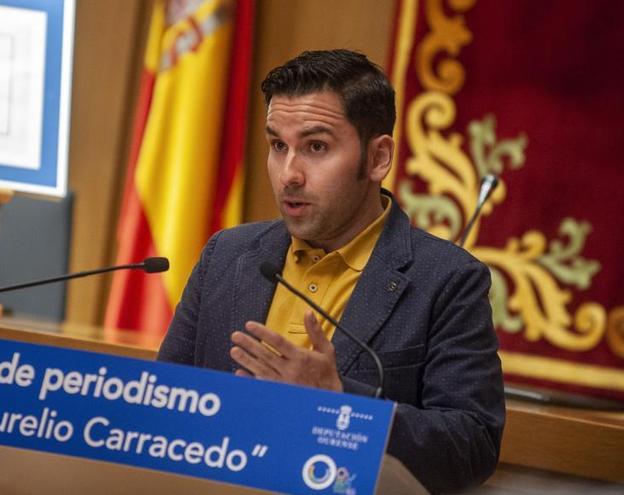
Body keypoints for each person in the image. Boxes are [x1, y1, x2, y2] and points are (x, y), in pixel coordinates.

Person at [157, 50, 505, 493]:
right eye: (277, 146)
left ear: (378, 158)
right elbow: (166, 401)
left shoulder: (447, 279)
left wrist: (339, 403)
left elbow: (472, 446)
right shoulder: (229, 254)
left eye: (316, 147)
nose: (289, 174)